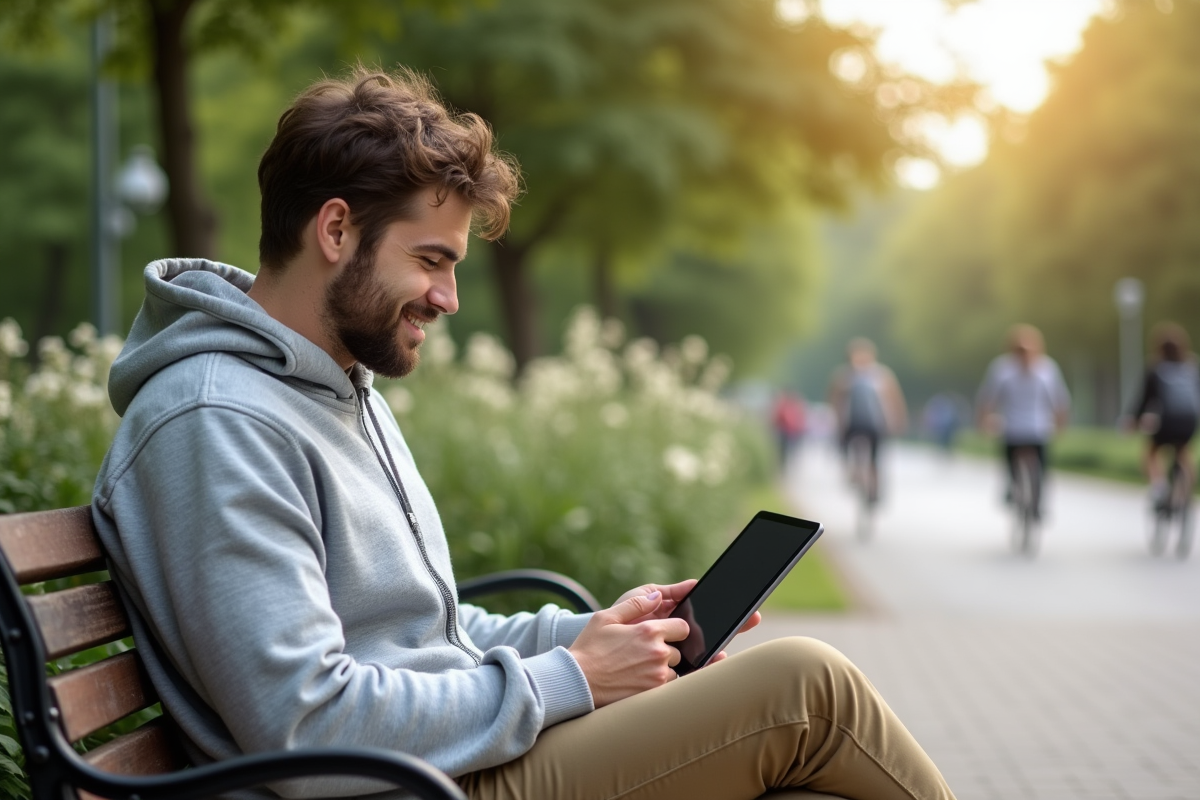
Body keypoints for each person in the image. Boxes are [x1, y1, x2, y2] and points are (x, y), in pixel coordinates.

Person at [91, 67, 956, 800]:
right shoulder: (217, 420)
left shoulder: (336, 389)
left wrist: (589, 636)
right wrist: (573, 680)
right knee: (808, 688)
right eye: (431, 259)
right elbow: (306, 723)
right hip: (400, 784)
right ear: (335, 229)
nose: (449, 298)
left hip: (439, 762)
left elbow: (426, 638)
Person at [975, 324, 1071, 519]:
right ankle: (1012, 486)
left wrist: (1060, 424)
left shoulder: (1047, 369)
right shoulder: (1002, 370)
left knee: (1042, 468)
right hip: (1013, 427)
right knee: (1009, 461)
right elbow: (988, 399)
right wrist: (984, 420)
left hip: (1038, 427)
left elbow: (1059, 401)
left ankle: (1038, 501)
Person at [1125, 322, 1200, 506]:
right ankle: (1186, 491)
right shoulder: (1192, 367)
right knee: (1183, 451)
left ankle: (1159, 487)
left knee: (1151, 452)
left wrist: (1133, 421)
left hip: (1166, 420)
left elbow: (1144, 400)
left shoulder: (1155, 368)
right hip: (1190, 420)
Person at [828, 338, 908, 504]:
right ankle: (868, 483)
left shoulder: (844, 375)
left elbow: (834, 401)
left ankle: (860, 478)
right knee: (873, 457)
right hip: (875, 424)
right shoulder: (882, 375)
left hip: (857, 424)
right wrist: (899, 421)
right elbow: (896, 400)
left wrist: (837, 421)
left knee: (856, 452)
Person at [771, 389, 806, 470]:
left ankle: (782, 465)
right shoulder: (794, 404)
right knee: (785, 450)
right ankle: (783, 465)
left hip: (785, 430)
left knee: (783, 450)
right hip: (789, 431)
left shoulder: (783, 404)